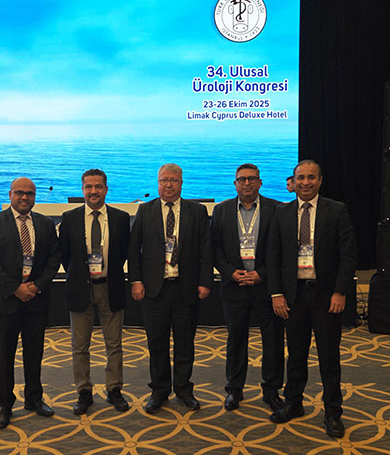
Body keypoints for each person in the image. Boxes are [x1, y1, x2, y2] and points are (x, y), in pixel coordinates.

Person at [267, 160, 357, 438]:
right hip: (293, 296)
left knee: (329, 358)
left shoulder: (336, 210)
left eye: (311, 177)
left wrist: (340, 291)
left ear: (320, 181)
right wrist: (277, 293)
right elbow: (273, 256)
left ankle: (333, 413)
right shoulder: (282, 212)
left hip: (326, 296)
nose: (305, 182)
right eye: (301, 178)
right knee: (296, 355)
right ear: (293, 182)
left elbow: (348, 255)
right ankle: (294, 404)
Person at [128, 163, 213, 414]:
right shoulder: (145, 210)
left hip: (186, 288)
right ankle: (159, 390)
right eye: (164, 180)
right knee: (157, 343)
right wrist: (135, 280)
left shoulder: (197, 211)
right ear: (158, 183)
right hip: (155, 290)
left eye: (173, 180)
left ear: (181, 183)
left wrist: (205, 282)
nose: (168, 185)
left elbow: (206, 249)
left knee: (185, 342)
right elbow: (134, 249)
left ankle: (184, 389)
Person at [0, 177, 60, 430]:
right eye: (20, 193)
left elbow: (54, 259)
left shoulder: (46, 224)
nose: (25, 197)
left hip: (36, 299)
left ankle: (34, 399)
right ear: (11, 194)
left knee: (35, 353)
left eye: (30, 194)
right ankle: (5, 405)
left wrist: (36, 286)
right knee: (5, 355)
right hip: (5, 301)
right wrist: (16, 289)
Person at [211, 164, 285, 412]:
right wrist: (231, 273)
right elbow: (215, 249)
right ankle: (234, 389)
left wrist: (262, 274)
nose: (247, 183)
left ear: (260, 182)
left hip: (267, 287)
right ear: (235, 184)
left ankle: (272, 391)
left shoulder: (277, 209)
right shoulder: (221, 210)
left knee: (272, 340)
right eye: (242, 179)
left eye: (252, 179)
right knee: (236, 340)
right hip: (235, 286)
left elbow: (282, 250)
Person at [59, 169, 130, 414]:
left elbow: (124, 253)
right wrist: (82, 274)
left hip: (111, 287)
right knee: (80, 346)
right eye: (88, 187)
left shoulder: (121, 218)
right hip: (80, 289)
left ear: (106, 189)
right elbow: (65, 255)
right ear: (82, 190)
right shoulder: (69, 218)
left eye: (98, 186)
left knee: (114, 344)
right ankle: (84, 392)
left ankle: (114, 389)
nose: (93, 191)